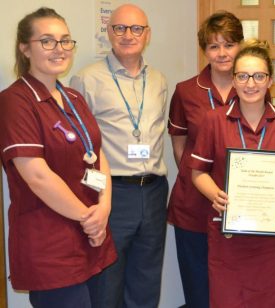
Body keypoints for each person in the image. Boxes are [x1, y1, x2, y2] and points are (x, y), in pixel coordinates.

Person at [0, 7, 116, 307]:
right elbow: (37, 175)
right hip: (50, 243)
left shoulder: (74, 98)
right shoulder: (15, 101)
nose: (59, 49)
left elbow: (97, 152)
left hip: (91, 235)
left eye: (65, 41)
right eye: (47, 41)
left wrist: (103, 208)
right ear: (25, 48)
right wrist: (88, 218)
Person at [189, 39, 275, 307]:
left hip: (274, 237)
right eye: (242, 76)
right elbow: (198, 173)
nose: (250, 84)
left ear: (270, 80)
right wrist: (214, 195)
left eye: (258, 76)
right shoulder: (214, 120)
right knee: (230, 298)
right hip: (230, 236)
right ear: (233, 80)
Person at [70, 3, 169, 307]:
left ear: (147, 34)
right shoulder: (86, 79)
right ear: (109, 32)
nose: (128, 35)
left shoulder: (159, 81)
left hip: (153, 191)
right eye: (120, 28)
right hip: (112, 193)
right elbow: (79, 149)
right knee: (107, 279)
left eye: (136, 28)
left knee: (147, 278)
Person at [167, 11, 242, 307]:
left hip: (239, 204)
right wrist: (196, 179)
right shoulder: (186, 91)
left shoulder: (252, 86)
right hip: (194, 204)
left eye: (229, 44)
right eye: (214, 46)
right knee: (198, 288)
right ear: (205, 50)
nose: (222, 53)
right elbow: (179, 145)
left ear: (240, 46)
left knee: (234, 285)